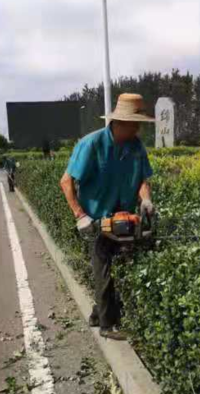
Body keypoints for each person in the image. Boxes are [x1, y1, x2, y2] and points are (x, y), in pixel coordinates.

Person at [60, 93, 155, 341]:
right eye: (136, 123)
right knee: (104, 271)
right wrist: (80, 215)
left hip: (124, 218)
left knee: (118, 267)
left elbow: (143, 180)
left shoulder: (136, 147)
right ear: (120, 122)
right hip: (98, 220)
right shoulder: (91, 144)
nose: (139, 128)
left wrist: (145, 199)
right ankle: (107, 325)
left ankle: (96, 314)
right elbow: (66, 182)